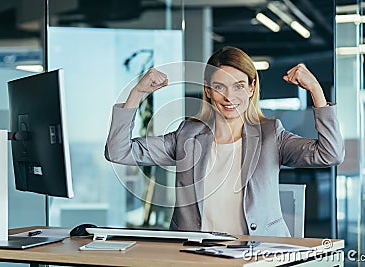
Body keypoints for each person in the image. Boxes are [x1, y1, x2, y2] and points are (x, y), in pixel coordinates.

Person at [105, 46, 344, 237]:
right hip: (195, 255)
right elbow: (118, 152)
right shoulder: (187, 134)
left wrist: (315, 90)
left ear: (251, 88)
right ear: (208, 90)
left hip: (257, 254)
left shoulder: (271, 135)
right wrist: (136, 93)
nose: (229, 97)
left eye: (238, 86)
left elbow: (330, 154)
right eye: (219, 87)